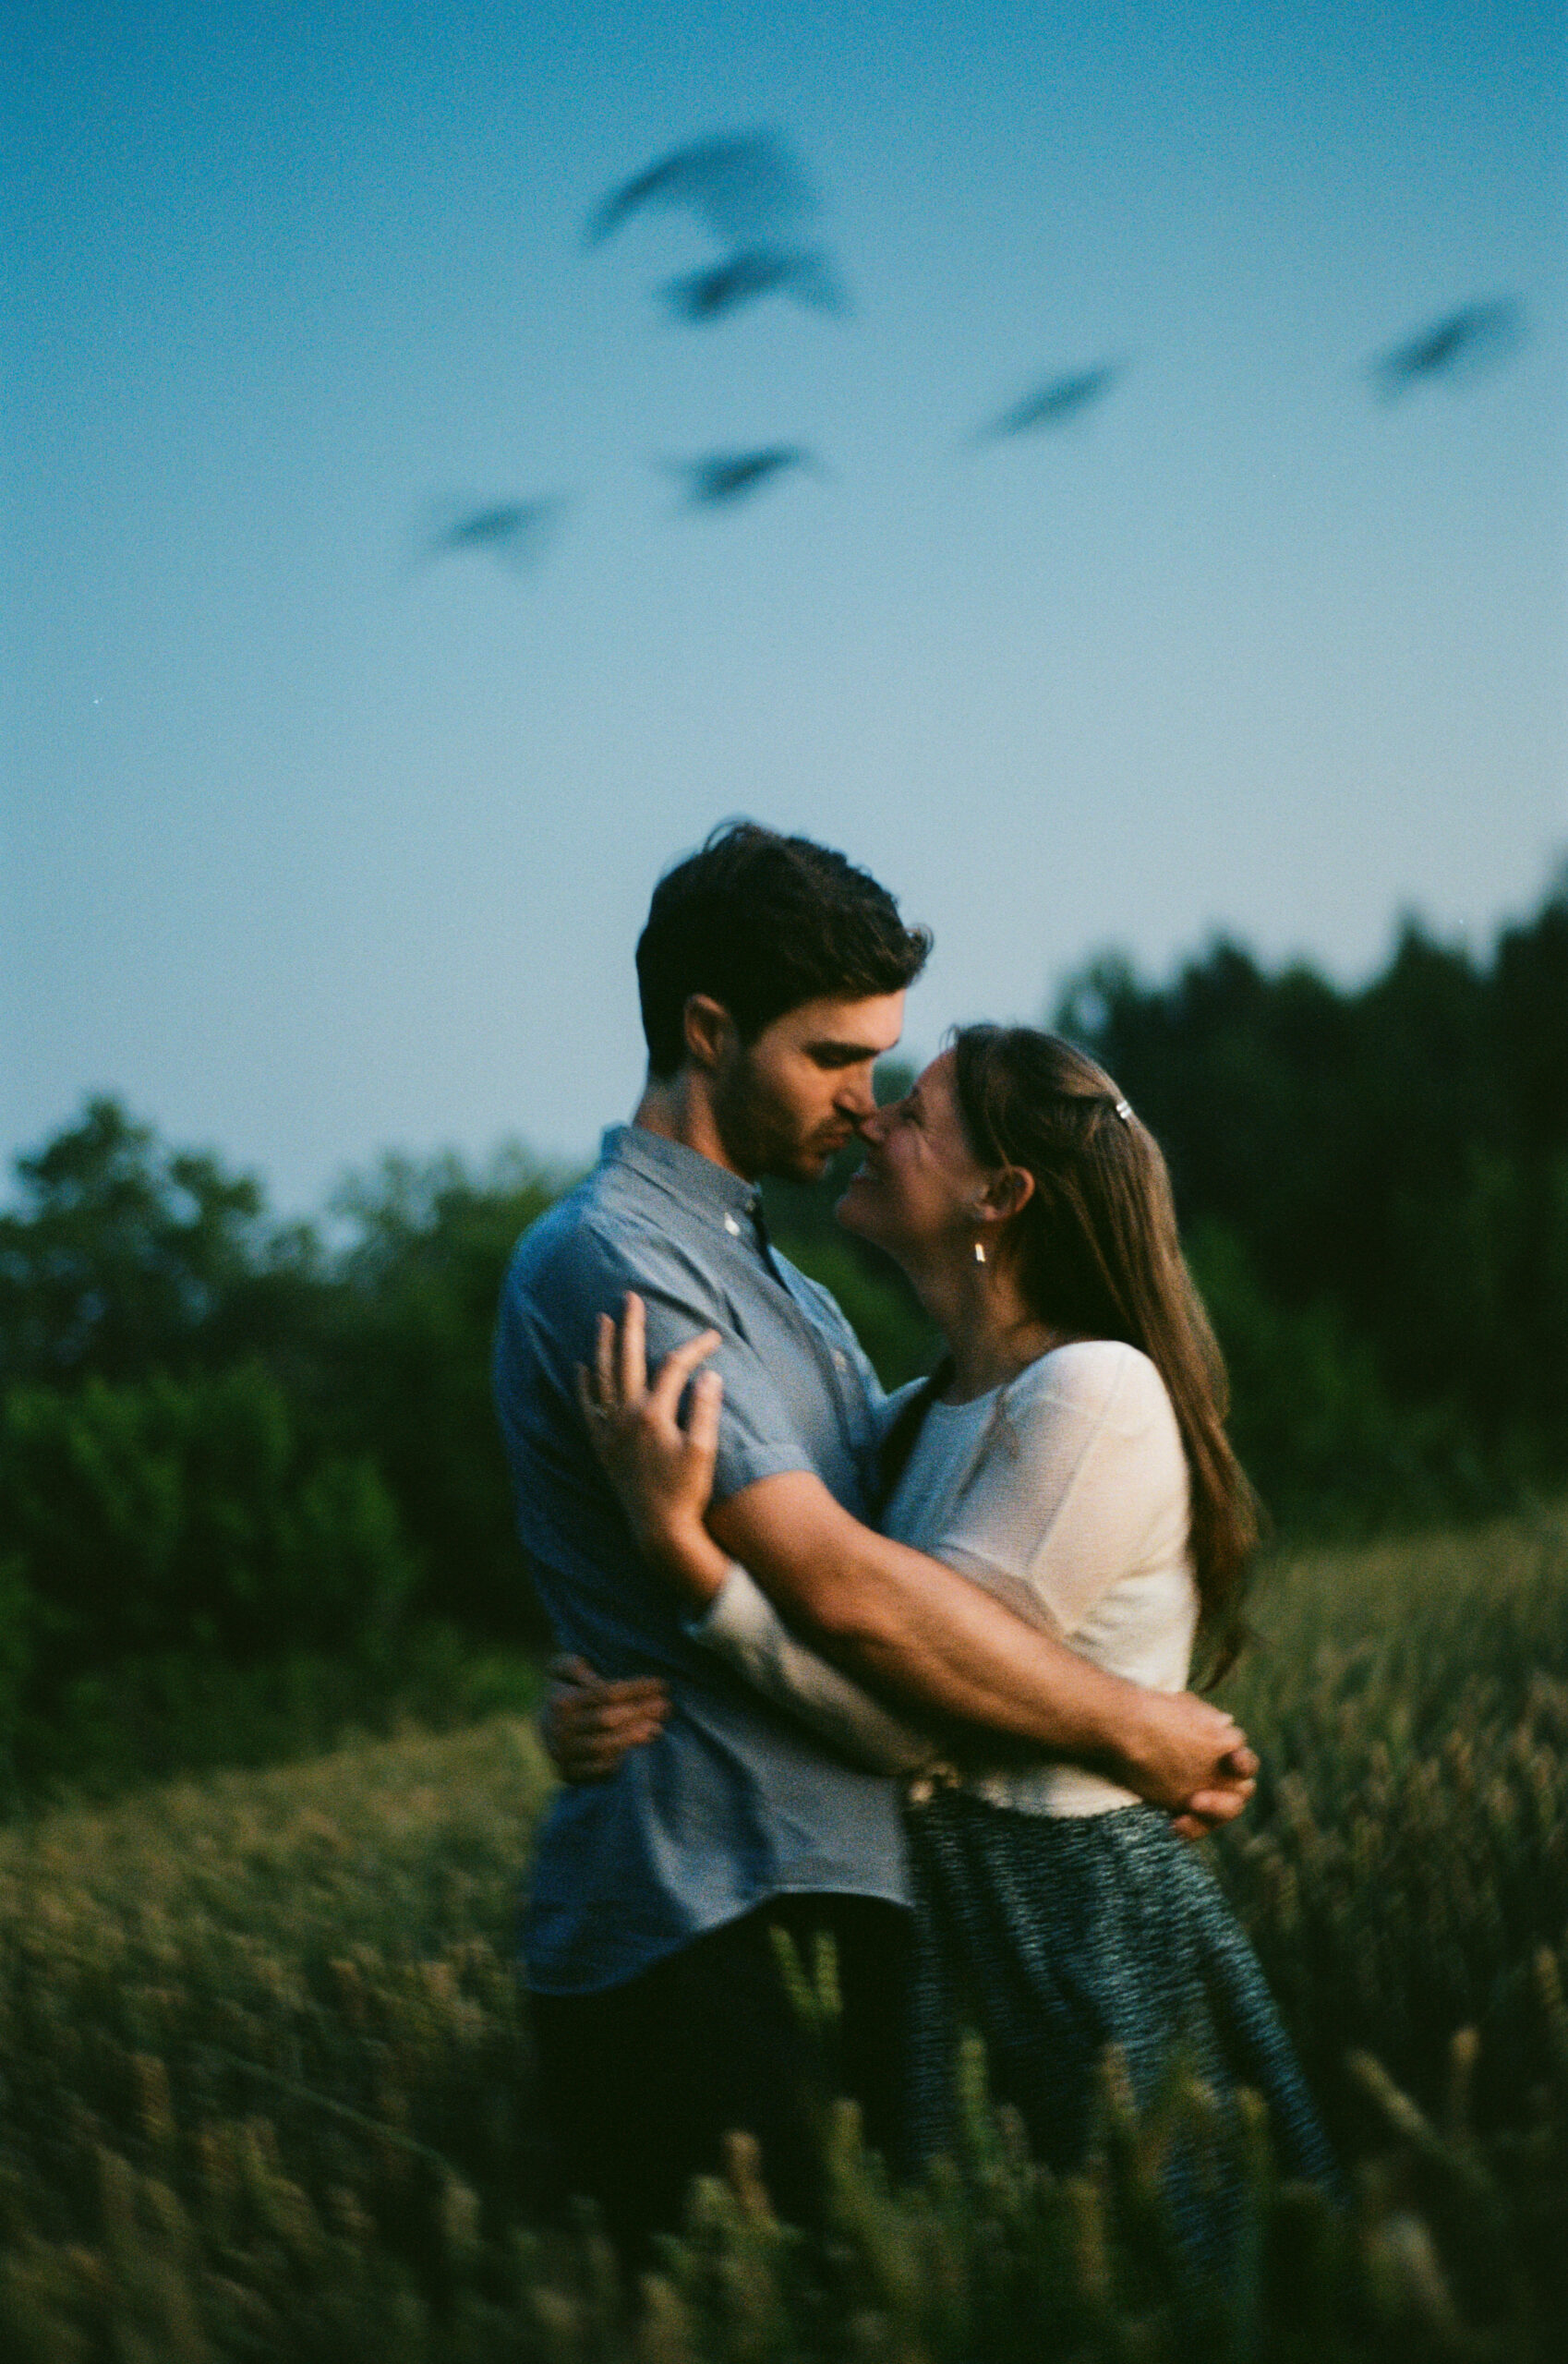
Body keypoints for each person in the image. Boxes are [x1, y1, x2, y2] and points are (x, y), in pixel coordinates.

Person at [493, 823, 1255, 2258]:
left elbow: (902, 1566)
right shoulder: (622, 1256)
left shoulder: (797, 1300)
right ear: (708, 1031)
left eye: (884, 1069)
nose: (865, 1101)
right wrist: (1136, 1730)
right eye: (836, 1059)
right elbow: (845, 1591)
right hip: (695, 1913)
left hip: (824, 1907)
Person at [572, 1025, 1337, 2239]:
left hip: (1069, 1915)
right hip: (949, 1913)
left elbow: (909, 1718)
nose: (874, 1120)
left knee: (1141, 2269)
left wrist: (687, 1564)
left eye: (915, 1113)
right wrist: (591, 1690)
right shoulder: (919, 1412)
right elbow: (836, 1650)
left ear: (1001, 1193)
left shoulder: (1092, 1395)